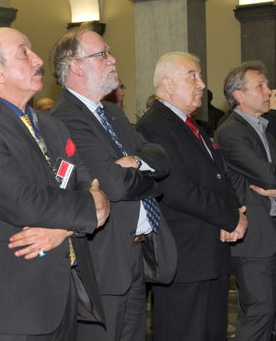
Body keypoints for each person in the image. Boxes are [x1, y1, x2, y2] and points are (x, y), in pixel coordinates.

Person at [0, 27, 110, 340]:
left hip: (62, 297)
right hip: (9, 305)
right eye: (24, 52)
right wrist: (91, 206)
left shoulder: (52, 125)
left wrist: (64, 227)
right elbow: (24, 202)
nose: (38, 59)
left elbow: (86, 182)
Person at [50, 27, 176, 341]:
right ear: (77, 66)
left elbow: (161, 158)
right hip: (102, 263)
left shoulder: (112, 113)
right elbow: (113, 185)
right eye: (103, 53)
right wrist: (144, 175)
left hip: (135, 254)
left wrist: (133, 162)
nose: (113, 59)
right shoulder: (66, 117)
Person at [135, 51, 247, 341]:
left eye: (200, 75)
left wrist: (235, 211)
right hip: (184, 257)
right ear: (168, 84)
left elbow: (218, 176)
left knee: (213, 332)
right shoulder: (154, 125)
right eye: (192, 76)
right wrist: (231, 216)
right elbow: (176, 187)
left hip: (212, 252)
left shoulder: (195, 126)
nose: (201, 84)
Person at [214, 61, 276, 341]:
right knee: (259, 311)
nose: (269, 91)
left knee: (266, 311)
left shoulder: (263, 127)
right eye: (260, 86)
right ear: (239, 95)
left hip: (269, 232)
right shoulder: (232, 131)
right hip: (254, 237)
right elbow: (266, 175)